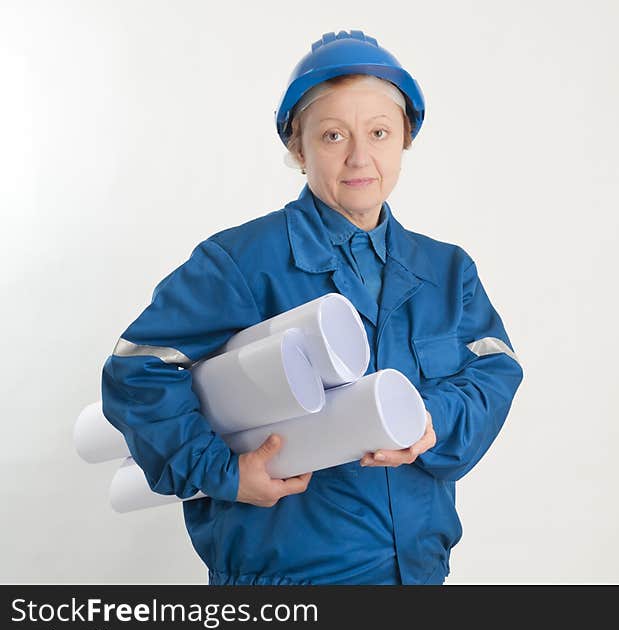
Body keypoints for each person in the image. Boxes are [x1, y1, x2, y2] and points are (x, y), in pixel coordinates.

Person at [101, 29, 523, 585]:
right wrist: (225, 472)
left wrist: (431, 420)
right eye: (331, 136)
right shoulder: (243, 261)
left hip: (419, 571)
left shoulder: (447, 271)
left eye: (378, 132)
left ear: (406, 140)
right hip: (287, 583)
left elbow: (494, 370)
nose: (359, 157)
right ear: (298, 149)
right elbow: (138, 367)